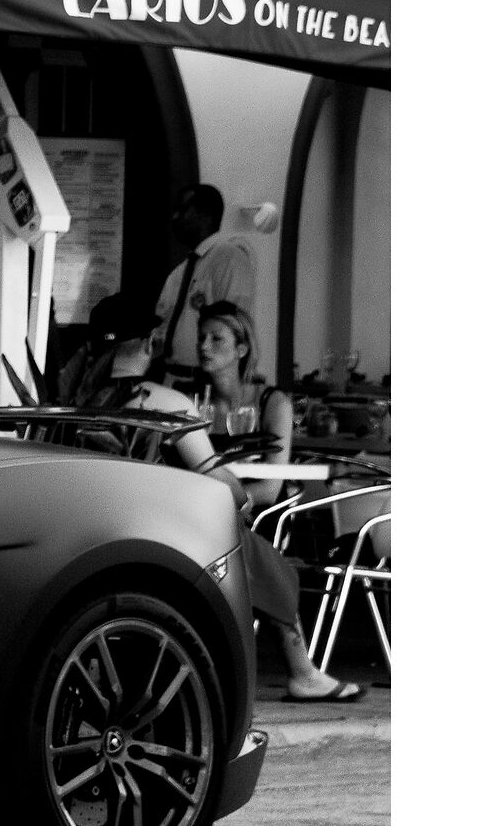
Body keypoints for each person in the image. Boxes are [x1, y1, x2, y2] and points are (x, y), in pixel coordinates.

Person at [82, 290, 360, 703]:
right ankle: (301, 671)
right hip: (165, 528)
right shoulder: (168, 402)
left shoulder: (78, 401)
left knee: (251, 554)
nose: (203, 347)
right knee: (258, 559)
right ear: (147, 344)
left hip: (95, 527)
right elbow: (214, 478)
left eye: (217, 339)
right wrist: (238, 500)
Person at [151, 182, 258, 388]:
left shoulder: (229, 259)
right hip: (170, 379)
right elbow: (162, 326)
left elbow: (234, 327)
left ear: (206, 214)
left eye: (183, 210)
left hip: (205, 382)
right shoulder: (178, 273)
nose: (174, 218)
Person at [194, 299, 293, 511]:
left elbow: (270, 488)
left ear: (241, 349)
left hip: (255, 517)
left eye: (216, 339)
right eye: (201, 338)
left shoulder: (273, 403)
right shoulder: (195, 403)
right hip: (202, 511)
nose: (204, 346)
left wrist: (222, 503)